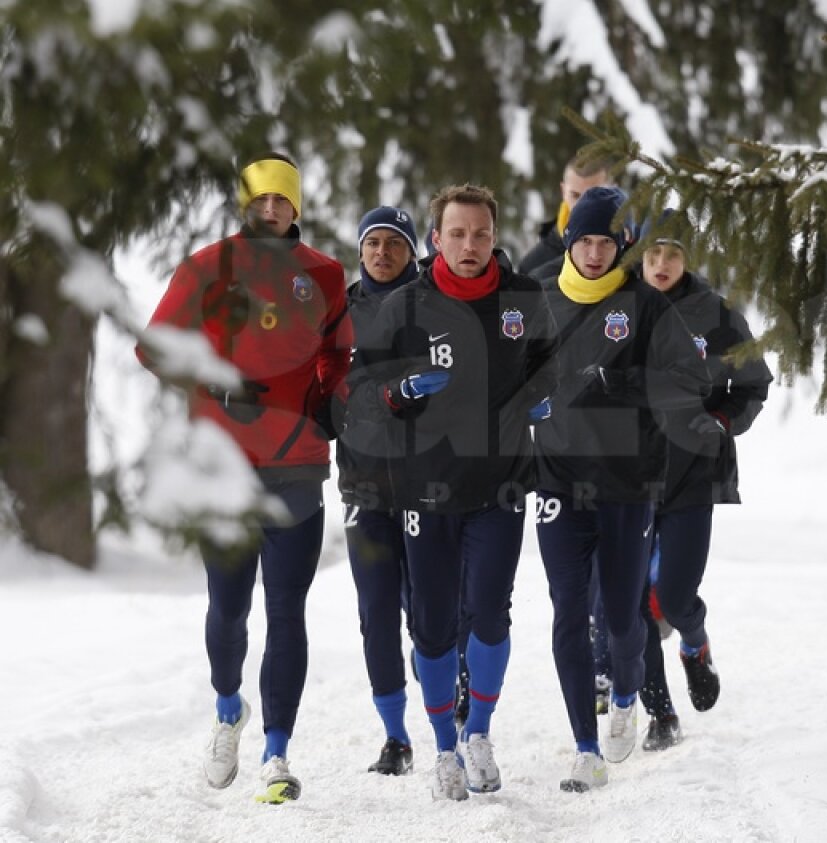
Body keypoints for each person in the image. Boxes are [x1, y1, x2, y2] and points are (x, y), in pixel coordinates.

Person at [137, 153, 351, 803]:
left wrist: (330, 398)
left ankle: (277, 752)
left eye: (282, 200)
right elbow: (153, 346)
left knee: (287, 609)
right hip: (222, 466)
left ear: (297, 207)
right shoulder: (207, 268)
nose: (270, 210)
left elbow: (339, 356)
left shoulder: (324, 274)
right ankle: (230, 708)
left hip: (295, 464)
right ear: (244, 204)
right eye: (260, 199)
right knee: (228, 608)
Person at [347, 183, 557, 800]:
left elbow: (553, 362)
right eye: (458, 234)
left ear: (496, 237)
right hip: (424, 491)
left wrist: (540, 396)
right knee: (433, 630)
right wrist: (398, 393)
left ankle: (480, 734)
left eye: (481, 234)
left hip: (501, 485)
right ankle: (443, 749)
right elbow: (360, 396)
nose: (470, 245)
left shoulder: (525, 297)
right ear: (436, 239)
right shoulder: (403, 308)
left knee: (489, 615)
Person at [533, 186, 710, 792]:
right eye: (583, 240)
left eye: (605, 242)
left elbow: (687, 377)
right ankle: (585, 745)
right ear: (569, 242)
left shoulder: (647, 305)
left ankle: (629, 694)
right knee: (566, 612)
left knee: (622, 617)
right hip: (558, 479)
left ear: (621, 246)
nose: (593, 252)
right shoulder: (539, 301)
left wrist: (619, 381)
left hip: (627, 482)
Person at [633, 210, 773, 751]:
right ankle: (660, 713)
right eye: (652, 254)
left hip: (693, 475)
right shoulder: (620, 310)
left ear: (688, 259)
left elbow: (753, 385)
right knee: (636, 602)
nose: (661, 264)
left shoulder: (716, 315)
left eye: (672, 254)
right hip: (632, 478)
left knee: (673, 596)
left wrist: (719, 423)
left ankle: (695, 645)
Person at [336, 206, 422, 777]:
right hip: (363, 484)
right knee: (375, 615)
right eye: (374, 243)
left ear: (413, 251)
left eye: (395, 243)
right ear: (360, 251)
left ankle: (448, 694)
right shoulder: (337, 311)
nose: (383, 253)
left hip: (429, 483)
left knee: (431, 612)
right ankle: (395, 737)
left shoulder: (436, 305)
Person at [517, 153, 612, 283]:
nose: (583, 207)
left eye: (593, 195)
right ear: (563, 191)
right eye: (575, 195)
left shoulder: (635, 254)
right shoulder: (532, 266)